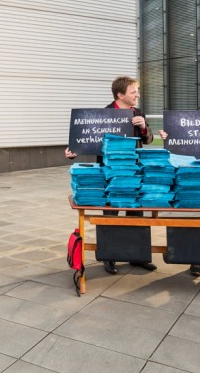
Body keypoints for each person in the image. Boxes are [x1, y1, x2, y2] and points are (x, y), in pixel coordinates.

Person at [66, 76, 156, 275]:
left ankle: (137, 256)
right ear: (120, 95)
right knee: (111, 215)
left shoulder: (138, 113)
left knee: (136, 214)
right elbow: (88, 138)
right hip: (111, 173)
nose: (137, 95)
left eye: (137, 91)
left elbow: (148, 140)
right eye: (133, 92)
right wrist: (73, 151)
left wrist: (143, 127)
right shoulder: (104, 114)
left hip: (134, 171)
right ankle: (109, 256)